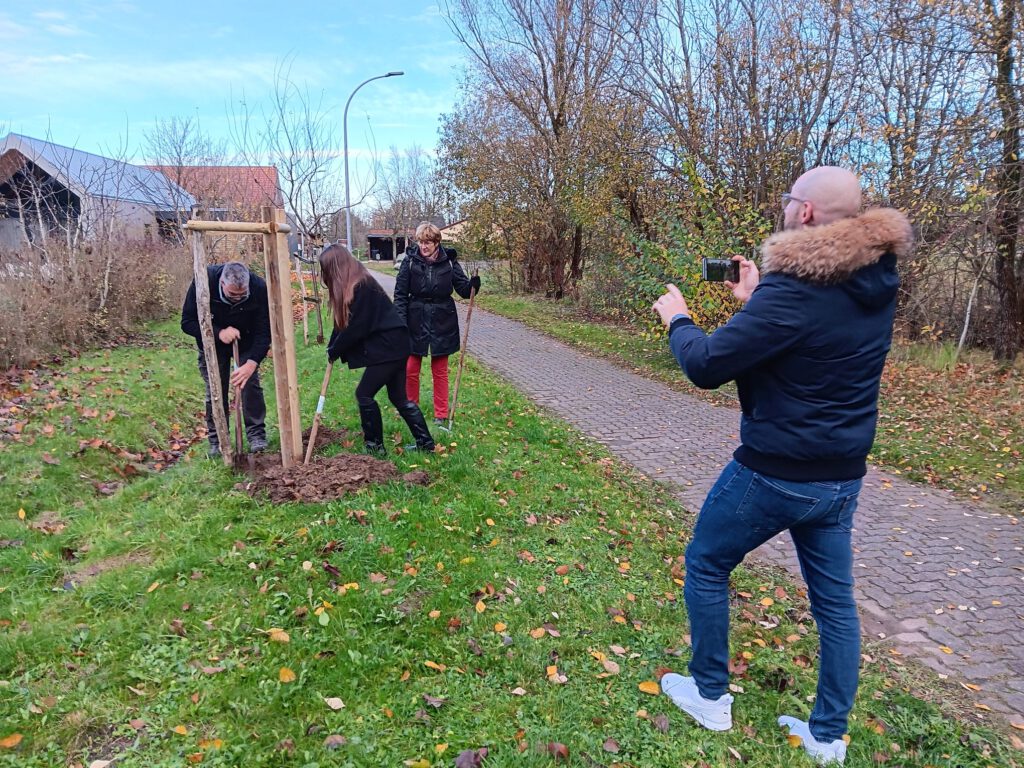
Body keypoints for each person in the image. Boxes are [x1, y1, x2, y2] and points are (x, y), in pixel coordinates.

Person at [652, 167, 912, 766]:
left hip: (776, 472)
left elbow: (707, 365)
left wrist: (679, 319)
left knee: (706, 563)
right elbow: (811, 340)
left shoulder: (793, 289)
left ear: (808, 213)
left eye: (791, 198)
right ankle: (827, 737)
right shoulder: (876, 278)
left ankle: (709, 696)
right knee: (835, 606)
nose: (786, 206)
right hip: (841, 477)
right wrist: (756, 297)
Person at [321, 244, 435, 455]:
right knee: (399, 398)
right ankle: (426, 444)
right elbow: (342, 325)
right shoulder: (356, 284)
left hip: (390, 348)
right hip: (394, 345)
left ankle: (375, 447)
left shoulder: (362, 286)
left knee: (364, 394)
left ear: (335, 268)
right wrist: (332, 346)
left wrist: (336, 350)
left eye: (326, 270)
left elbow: (356, 327)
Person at [394, 222, 481, 431]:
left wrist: (473, 286)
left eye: (428, 243)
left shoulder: (449, 261)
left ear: (436, 243)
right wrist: (401, 322)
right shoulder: (410, 261)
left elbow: (462, 289)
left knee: (440, 370)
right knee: (410, 368)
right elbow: (400, 295)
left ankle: (440, 414)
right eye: (421, 242)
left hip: (443, 319)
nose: (423, 246)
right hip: (415, 319)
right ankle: (411, 409)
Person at [181, 261, 270, 457]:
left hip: (246, 342)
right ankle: (218, 439)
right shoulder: (204, 281)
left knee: (250, 386)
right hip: (213, 345)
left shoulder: (258, 287)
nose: (238, 299)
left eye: (242, 295)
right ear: (222, 283)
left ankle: (256, 435)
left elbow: (264, 332)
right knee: (216, 391)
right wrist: (218, 332)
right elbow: (187, 322)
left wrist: (252, 363)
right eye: (232, 295)